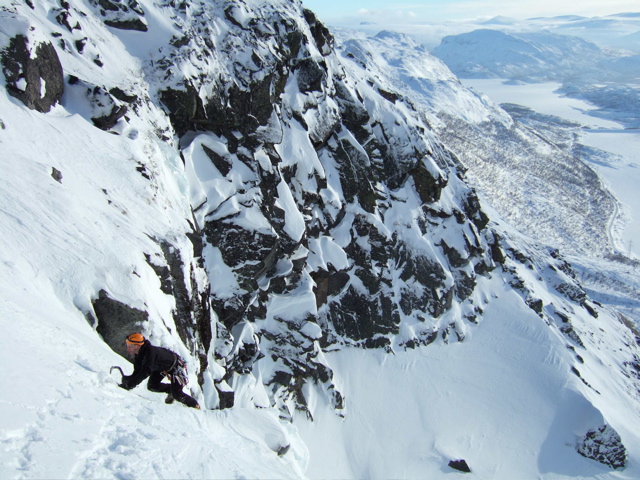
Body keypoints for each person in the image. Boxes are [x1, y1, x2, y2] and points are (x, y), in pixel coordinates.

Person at [119, 333, 200, 409]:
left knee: (178, 395)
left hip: (176, 367)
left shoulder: (150, 353)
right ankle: (170, 390)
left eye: (130, 346)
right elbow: (138, 371)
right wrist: (129, 380)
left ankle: (195, 406)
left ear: (137, 346)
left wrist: (130, 385)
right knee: (152, 386)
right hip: (162, 367)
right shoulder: (139, 355)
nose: (128, 348)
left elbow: (145, 372)